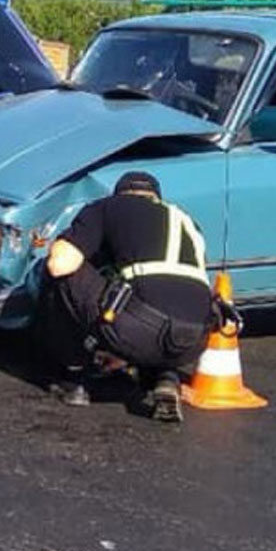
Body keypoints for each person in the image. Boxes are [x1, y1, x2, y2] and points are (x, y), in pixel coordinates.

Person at [42, 171, 214, 422]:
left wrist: (59, 245)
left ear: (120, 194)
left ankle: (75, 378)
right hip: (196, 339)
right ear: (156, 197)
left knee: (61, 271)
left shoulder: (107, 208)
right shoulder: (187, 221)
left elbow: (61, 264)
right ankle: (165, 377)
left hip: (141, 330)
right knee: (157, 296)